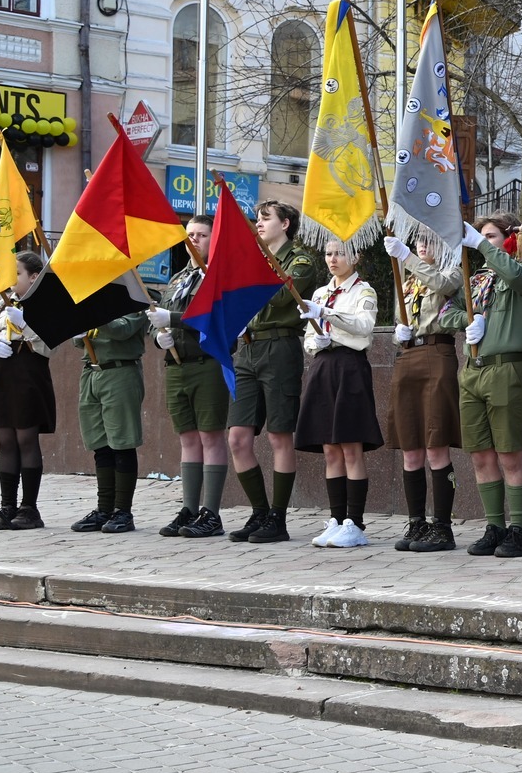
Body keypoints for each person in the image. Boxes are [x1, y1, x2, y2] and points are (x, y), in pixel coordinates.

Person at [227, 201, 324, 543]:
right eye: (257, 219)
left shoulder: (300, 260)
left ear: (285, 224)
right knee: (237, 438)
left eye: (265, 219)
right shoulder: (252, 259)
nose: (258, 224)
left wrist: (252, 272)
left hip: (279, 347)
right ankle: (259, 512)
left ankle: (278, 519)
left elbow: (283, 296)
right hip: (247, 349)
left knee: (279, 435)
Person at [148, 215, 231, 539]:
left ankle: (211, 512)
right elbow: (158, 319)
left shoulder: (218, 276)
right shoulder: (179, 277)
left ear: (214, 238)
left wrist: (172, 319)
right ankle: (190, 508)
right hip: (176, 364)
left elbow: (213, 317)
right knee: (187, 438)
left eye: (201, 235)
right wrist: (159, 336)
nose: (193, 239)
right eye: (190, 234)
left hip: (206, 362)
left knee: (210, 435)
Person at [459, 213, 522, 558]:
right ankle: (495, 526)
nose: (483, 241)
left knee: (509, 454)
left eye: (490, 236)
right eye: (481, 236)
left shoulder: (521, 269)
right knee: (480, 454)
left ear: (509, 238)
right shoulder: (477, 278)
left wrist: (482, 246)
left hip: (506, 369)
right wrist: (469, 319)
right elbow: (448, 309)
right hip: (472, 371)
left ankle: (519, 530)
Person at [296, 238, 383, 548]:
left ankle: (354, 523)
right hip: (323, 367)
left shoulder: (364, 291)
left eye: (340, 253)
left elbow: (363, 326)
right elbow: (309, 336)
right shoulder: (321, 293)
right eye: (329, 253)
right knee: (330, 447)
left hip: (350, 366)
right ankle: (336, 519)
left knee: (350, 446)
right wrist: (315, 343)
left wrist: (326, 313)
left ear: (355, 257)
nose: (333, 259)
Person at [382, 229, 465, 552]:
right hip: (408, 356)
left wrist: (407, 258)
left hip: (436, 353)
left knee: (435, 444)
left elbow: (444, 286)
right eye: (418, 240)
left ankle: (442, 526)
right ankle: (416, 522)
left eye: (429, 240)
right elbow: (399, 320)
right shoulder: (406, 279)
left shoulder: (452, 270)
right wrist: (397, 335)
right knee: (411, 447)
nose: (421, 245)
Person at [0, 252, 55, 531]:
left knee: (26, 439)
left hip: (28, 376)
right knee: (5, 440)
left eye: (17, 273)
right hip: (1, 376)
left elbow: (50, 344)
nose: (11, 279)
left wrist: (24, 324)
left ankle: (29, 508)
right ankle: (7, 505)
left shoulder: (44, 305)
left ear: (33, 277)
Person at [70, 304, 150, 535]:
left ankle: (123, 511)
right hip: (91, 371)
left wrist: (92, 313)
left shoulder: (133, 297)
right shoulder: (97, 298)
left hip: (120, 370)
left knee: (122, 442)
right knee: (100, 443)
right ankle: (104, 509)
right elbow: (80, 341)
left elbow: (121, 330)